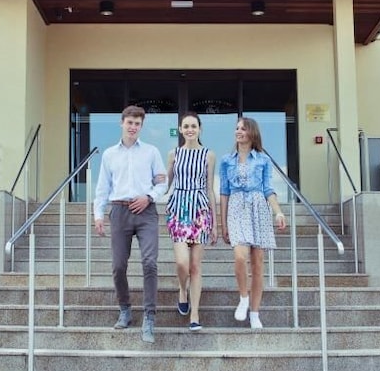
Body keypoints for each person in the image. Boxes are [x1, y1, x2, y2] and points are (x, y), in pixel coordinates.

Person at [93, 105, 168, 344]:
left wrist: (149, 197)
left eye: (137, 124)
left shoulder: (151, 152)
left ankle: (149, 317)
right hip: (119, 211)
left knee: (150, 262)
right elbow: (102, 187)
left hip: (146, 211)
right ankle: (125, 309)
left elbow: (162, 183)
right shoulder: (109, 155)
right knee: (118, 266)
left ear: (141, 126)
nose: (133, 127)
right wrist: (98, 215)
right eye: (130, 123)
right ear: (122, 123)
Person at [218, 117, 287, 329]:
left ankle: (255, 313)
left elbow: (268, 189)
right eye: (237, 128)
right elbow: (224, 193)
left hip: (258, 208)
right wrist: (223, 223)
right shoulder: (226, 160)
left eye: (243, 128)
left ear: (252, 133)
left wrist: (278, 212)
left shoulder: (263, 160)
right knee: (240, 257)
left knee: (257, 264)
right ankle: (243, 298)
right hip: (236, 207)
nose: (238, 131)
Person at [165, 112, 217, 331]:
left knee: (195, 266)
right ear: (180, 129)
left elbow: (209, 188)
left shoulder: (208, 155)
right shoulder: (174, 154)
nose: (190, 129)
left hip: (200, 210)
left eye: (193, 126)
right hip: (179, 209)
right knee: (182, 263)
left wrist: (215, 223)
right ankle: (182, 289)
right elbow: (165, 185)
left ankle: (195, 314)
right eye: (185, 126)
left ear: (200, 129)